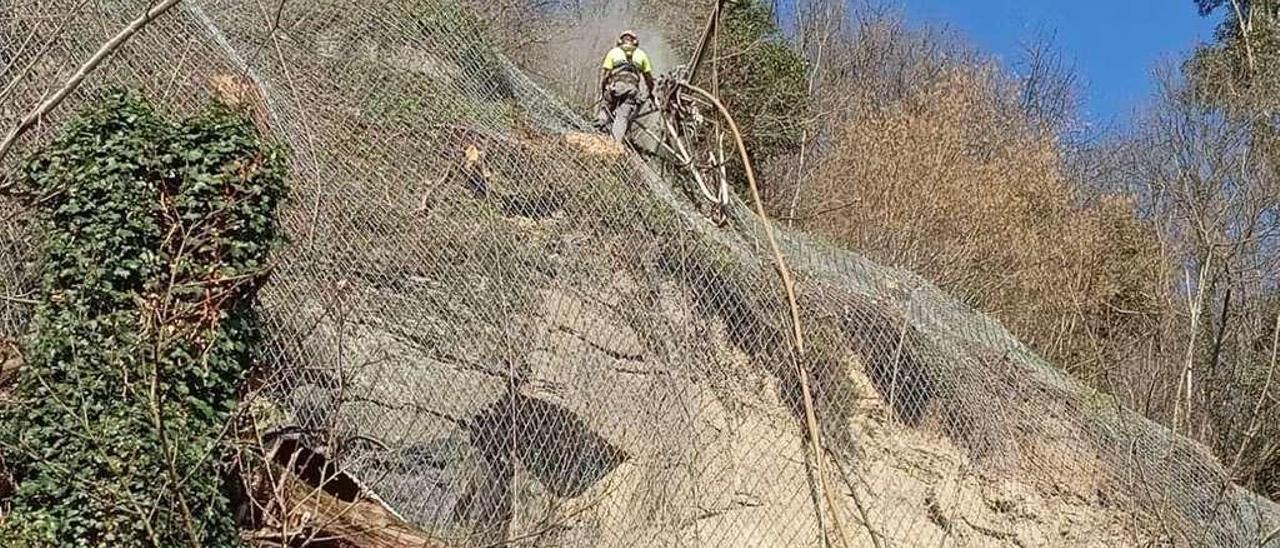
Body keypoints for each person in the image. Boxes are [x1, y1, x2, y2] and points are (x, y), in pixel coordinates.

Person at [596, 30, 655, 143]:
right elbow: (648, 78)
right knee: (622, 118)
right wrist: (651, 92)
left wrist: (603, 89)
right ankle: (614, 144)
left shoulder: (613, 52)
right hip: (632, 91)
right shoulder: (642, 54)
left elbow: (605, 75)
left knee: (606, 109)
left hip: (615, 87)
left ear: (621, 40)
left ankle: (597, 133)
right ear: (635, 42)